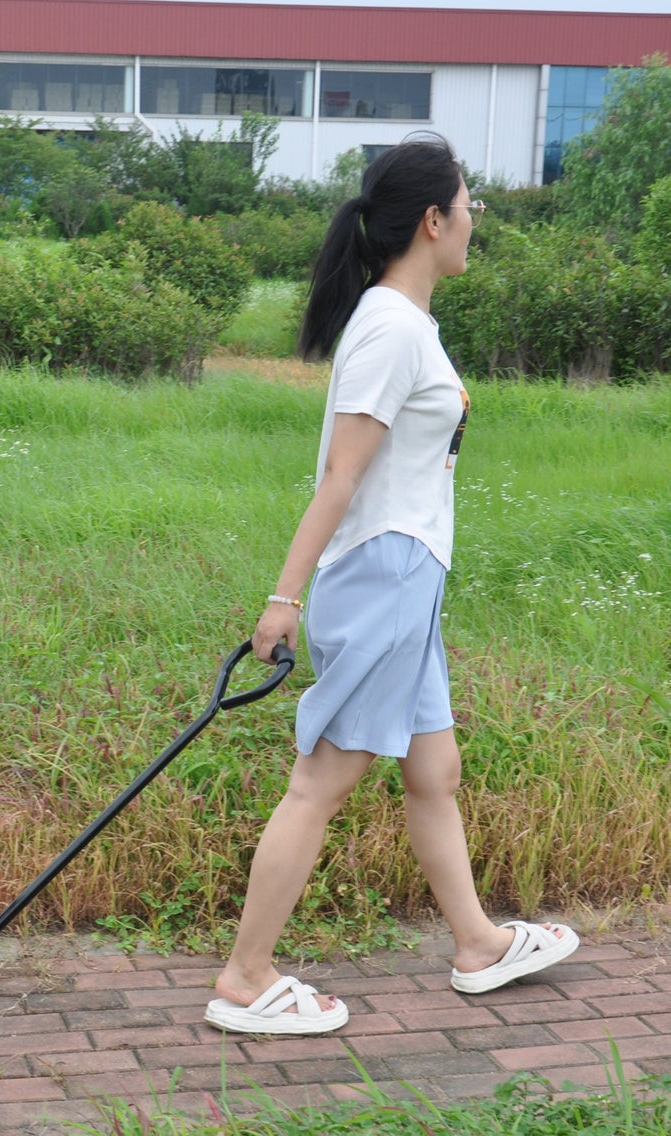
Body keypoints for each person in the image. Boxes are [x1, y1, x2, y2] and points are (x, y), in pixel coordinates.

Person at [204, 135, 578, 1037]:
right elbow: (340, 476)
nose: (473, 225)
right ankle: (246, 978)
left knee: (432, 768)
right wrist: (282, 597)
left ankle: (478, 942)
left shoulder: (404, 321)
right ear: (430, 220)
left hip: (409, 574)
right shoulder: (390, 327)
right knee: (322, 780)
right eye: (468, 208)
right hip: (383, 573)